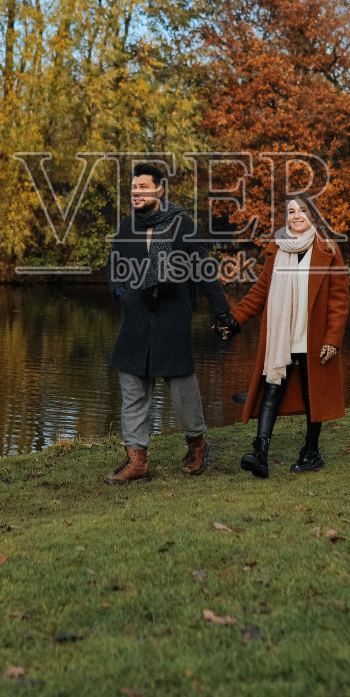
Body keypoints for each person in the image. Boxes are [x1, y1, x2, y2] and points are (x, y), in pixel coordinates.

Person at [104, 162, 237, 484]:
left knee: (183, 392)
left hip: (172, 320)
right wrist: (119, 290)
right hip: (135, 322)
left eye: (143, 187)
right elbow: (113, 264)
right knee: (132, 390)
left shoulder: (181, 225)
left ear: (160, 190)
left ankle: (197, 445)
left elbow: (205, 270)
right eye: (134, 187)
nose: (136, 192)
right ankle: (137, 461)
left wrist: (222, 314)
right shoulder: (126, 227)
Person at [228, 194, 348, 477]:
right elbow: (260, 292)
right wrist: (235, 319)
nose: (296, 216)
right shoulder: (276, 249)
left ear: (313, 216)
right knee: (272, 389)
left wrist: (332, 339)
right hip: (282, 335)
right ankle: (260, 454)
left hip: (314, 337)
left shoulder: (328, 250)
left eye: (302, 210)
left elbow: (339, 300)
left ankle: (311, 452)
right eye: (291, 211)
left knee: (312, 394)